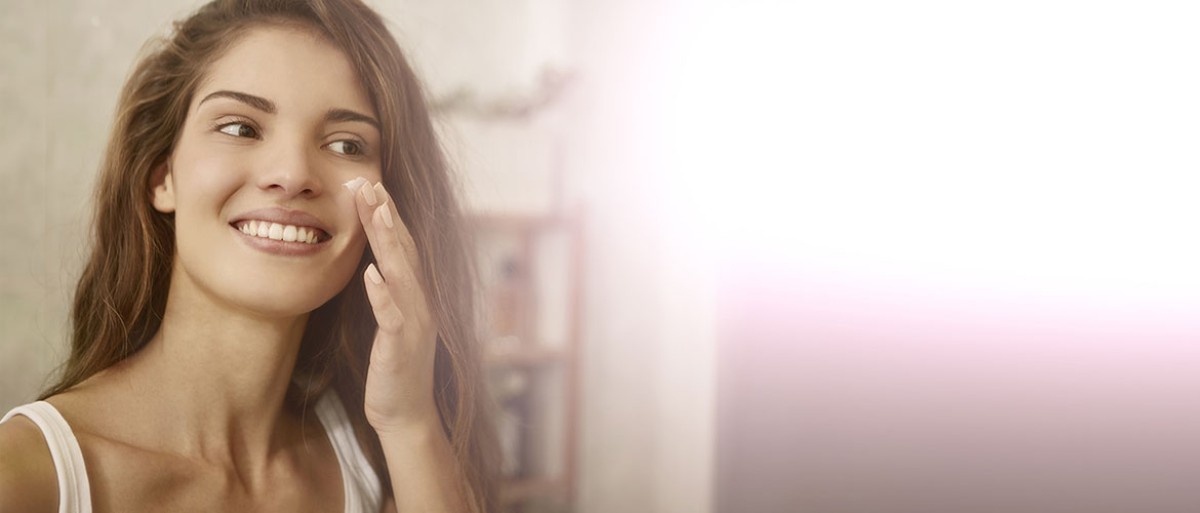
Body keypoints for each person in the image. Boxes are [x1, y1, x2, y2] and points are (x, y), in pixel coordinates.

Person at [0, 0, 499, 511]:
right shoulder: (23, 478)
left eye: (347, 145)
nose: (293, 173)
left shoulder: (381, 459)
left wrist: (411, 422)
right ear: (161, 176)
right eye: (241, 127)